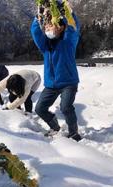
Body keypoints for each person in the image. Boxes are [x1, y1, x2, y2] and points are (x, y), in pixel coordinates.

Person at [31, 2, 82, 141]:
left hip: (68, 82)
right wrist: (38, 18)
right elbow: (36, 33)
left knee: (66, 107)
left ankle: (73, 132)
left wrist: (68, 13)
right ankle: (55, 127)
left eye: (50, 25)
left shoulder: (68, 42)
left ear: (60, 27)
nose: (47, 29)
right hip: (51, 85)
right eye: (46, 27)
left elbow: (73, 28)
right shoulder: (45, 46)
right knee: (40, 108)